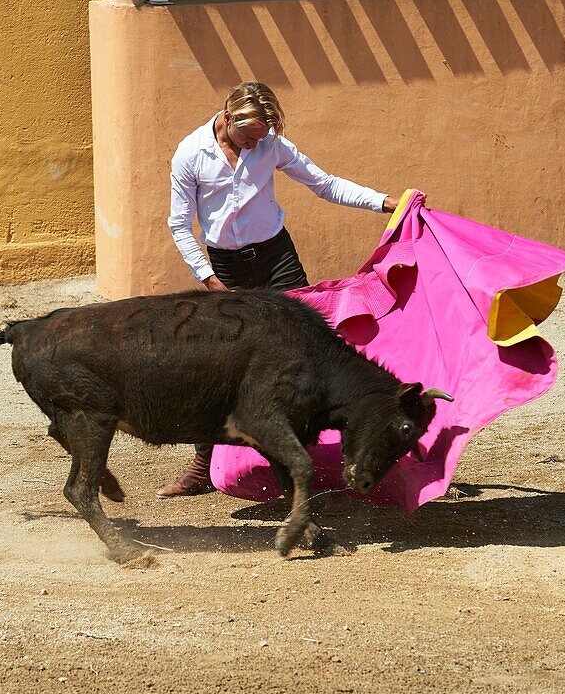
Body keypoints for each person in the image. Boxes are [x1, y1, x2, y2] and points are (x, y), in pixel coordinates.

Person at [158, 81, 403, 498]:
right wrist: (210, 280)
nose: (256, 144)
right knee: (222, 365)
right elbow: (180, 224)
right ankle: (203, 463)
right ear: (228, 116)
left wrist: (386, 203)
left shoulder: (271, 144)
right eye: (249, 136)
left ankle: (330, 449)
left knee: (312, 347)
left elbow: (324, 183)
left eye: (262, 136)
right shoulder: (189, 154)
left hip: (277, 257)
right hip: (225, 268)